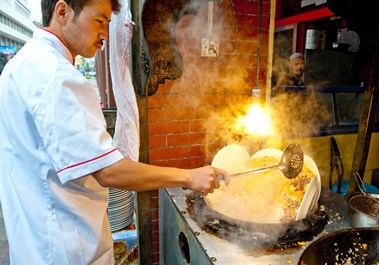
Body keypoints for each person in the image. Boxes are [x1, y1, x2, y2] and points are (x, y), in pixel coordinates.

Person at [0, 0, 229, 264]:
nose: (105, 35)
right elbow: (109, 170)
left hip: (34, 242)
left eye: (108, 24)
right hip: (66, 249)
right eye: (99, 21)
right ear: (62, 12)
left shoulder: (20, 66)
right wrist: (188, 177)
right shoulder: (58, 77)